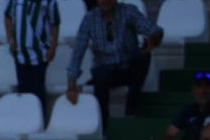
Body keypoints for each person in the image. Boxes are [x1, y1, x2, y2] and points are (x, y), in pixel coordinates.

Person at [66, 0, 162, 132]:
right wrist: (71, 85)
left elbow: (155, 30)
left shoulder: (128, 11)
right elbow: (78, 50)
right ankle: (104, 127)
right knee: (100, 76)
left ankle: (131, 111)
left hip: (127, 67)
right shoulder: (89, 18)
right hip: (104, 70)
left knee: (143, 57)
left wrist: (153, 39)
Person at [4, 0, 59, 106]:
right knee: (23, 93)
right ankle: (25, 119)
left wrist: (53, 47)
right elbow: (7, 17)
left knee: (38, 92)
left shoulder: (50, 2)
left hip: (40, 54)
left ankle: (41, 119)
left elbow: (54, 24)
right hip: (20, 54)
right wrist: (10, 38)